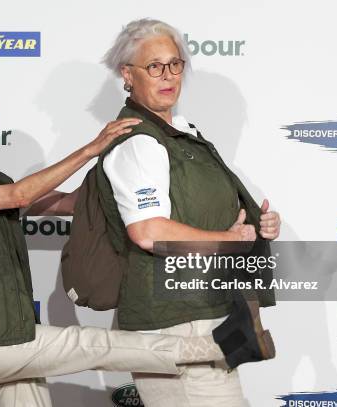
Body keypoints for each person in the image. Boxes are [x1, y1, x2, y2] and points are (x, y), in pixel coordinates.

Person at [0, 81, 262, 407]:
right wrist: (91, 150)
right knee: (95, 345)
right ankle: (216, 346)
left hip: (6, 332)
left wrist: (118, 171)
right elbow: (19, 194)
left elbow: (69, 203)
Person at [96, 19, 282, 406]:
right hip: (174, 323)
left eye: (175, 64)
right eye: (154, 66)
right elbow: (148, 231)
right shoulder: (138, 142)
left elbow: (195, 212)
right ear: (127, 75)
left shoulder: (182, 132)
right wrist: (231, 240)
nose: (168, 76)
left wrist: (255, 223)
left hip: (202, 310)